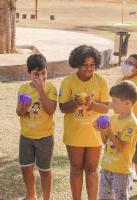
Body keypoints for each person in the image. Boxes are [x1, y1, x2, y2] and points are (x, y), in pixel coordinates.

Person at [58, 45, 109, 200]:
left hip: (94, 133)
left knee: (92, 169)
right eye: (85, 65)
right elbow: (62, 108)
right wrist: (75, 102)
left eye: (92, 65)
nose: (88, 68)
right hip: (74, 134)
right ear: (77, 64)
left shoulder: (101, 81)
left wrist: (91, 104)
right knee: (76, 169)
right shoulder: (68, 81)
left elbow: (105, 108)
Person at [16, 54, 57, 200]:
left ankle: (47, 198)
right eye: (36, 74)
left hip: (45, 137)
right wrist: (23, 107)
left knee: (45, 170)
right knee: (26, 168)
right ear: (29, 73)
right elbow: (19, 113)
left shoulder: (51, 88)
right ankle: (31, 195)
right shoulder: (23, 88)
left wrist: (40, 90)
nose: (40, 77)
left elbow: (50, 109)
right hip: (26, 136)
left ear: (47, 71)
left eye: (43, 73)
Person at [94, 81, 137, 200]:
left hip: (121, 171)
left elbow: (121, 147)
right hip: (107, 166)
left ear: (127, 103)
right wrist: (102, 130)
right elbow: (105, 142)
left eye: (115, 101)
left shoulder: (131, 123)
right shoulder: (113, 118)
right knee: (105, 197)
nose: (111, 104)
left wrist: (109, 131)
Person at [118, 54, 137, 181]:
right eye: (126, 62)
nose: (127, 65)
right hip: (122, 127)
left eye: (131, 64)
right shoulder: (120, 81)